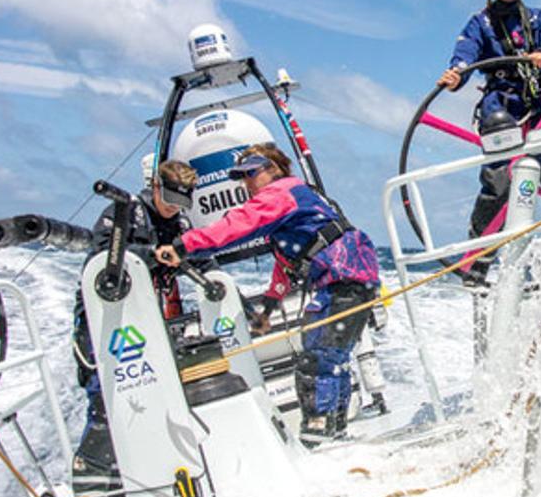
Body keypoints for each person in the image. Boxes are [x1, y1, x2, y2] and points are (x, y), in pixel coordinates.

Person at [155, 143, 379, 447]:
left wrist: (183, 246)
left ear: (272, 169)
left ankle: (321, 432)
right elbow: (289, 262)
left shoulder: (279, 194)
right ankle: (334, 428)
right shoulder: (295, 199)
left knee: (319, 357)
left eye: (250, 174)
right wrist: (269, 308)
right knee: (331, 355)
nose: (245, 183)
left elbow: (237, 226)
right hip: (354, 276)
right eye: (241, 177)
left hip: (342, 278)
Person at [437, 0, 541, 279]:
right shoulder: (480, 22)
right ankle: (478, 262)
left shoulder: (539, 18)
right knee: (499, 183)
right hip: (501, 105)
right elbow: (464, 57)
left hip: (540, 104)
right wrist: (455, 75)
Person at [71, 159, 201, 497]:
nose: (175, 210)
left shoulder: (181, 223)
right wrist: (152, 254)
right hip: (106, 325)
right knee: (107, 404)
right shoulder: (125, 214)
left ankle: (144, 484)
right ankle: (93, 487)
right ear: (156, 187)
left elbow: (198, 257)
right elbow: (98, 259)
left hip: (149, 325)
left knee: (152, 403)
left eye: (183, 204)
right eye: (171, 200)